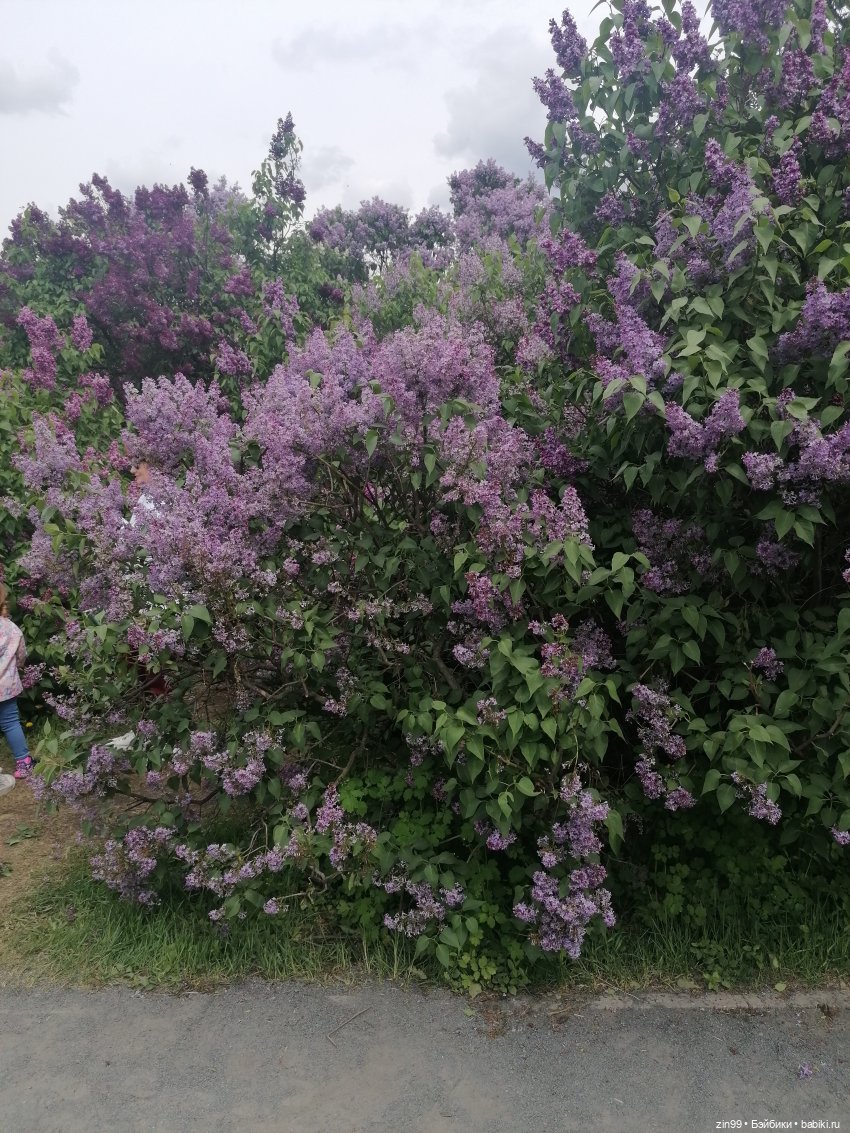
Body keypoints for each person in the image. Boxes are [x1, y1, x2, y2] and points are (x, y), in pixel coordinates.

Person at [0, 581, 34, 781]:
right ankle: (23, 762)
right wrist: (17, 665)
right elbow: (21, 655)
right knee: (11, 723)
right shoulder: (11, 629)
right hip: (6, 686)